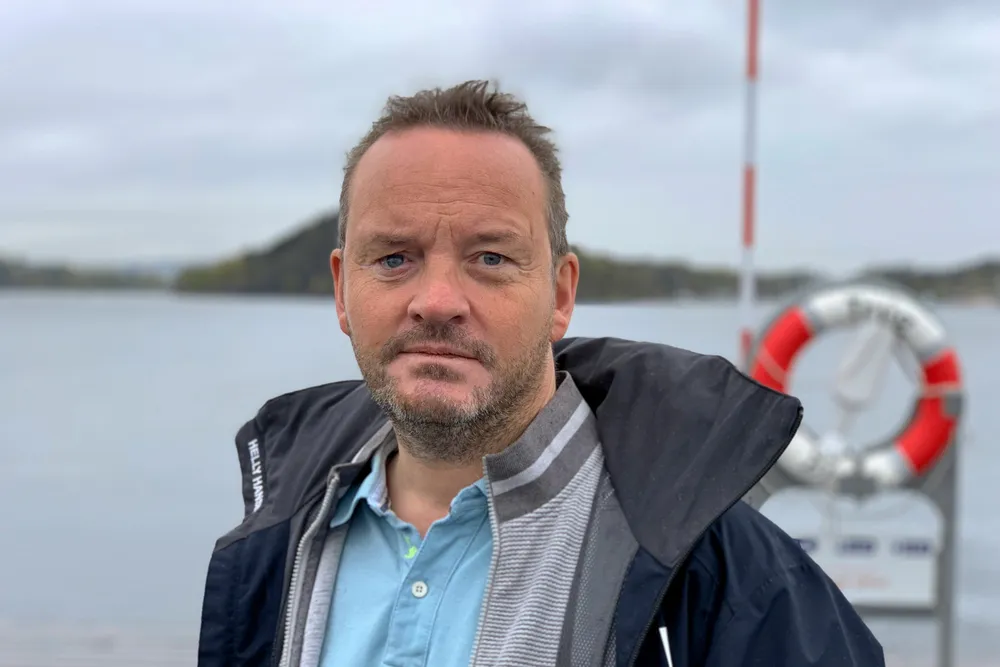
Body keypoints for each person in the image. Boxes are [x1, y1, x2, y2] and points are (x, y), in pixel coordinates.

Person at [197, 80, 884, 667]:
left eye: (490, 258)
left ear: (560, 294)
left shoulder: (720, 575)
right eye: (395, 258)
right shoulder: (276, 544)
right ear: (343, 290)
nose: (437, 300)